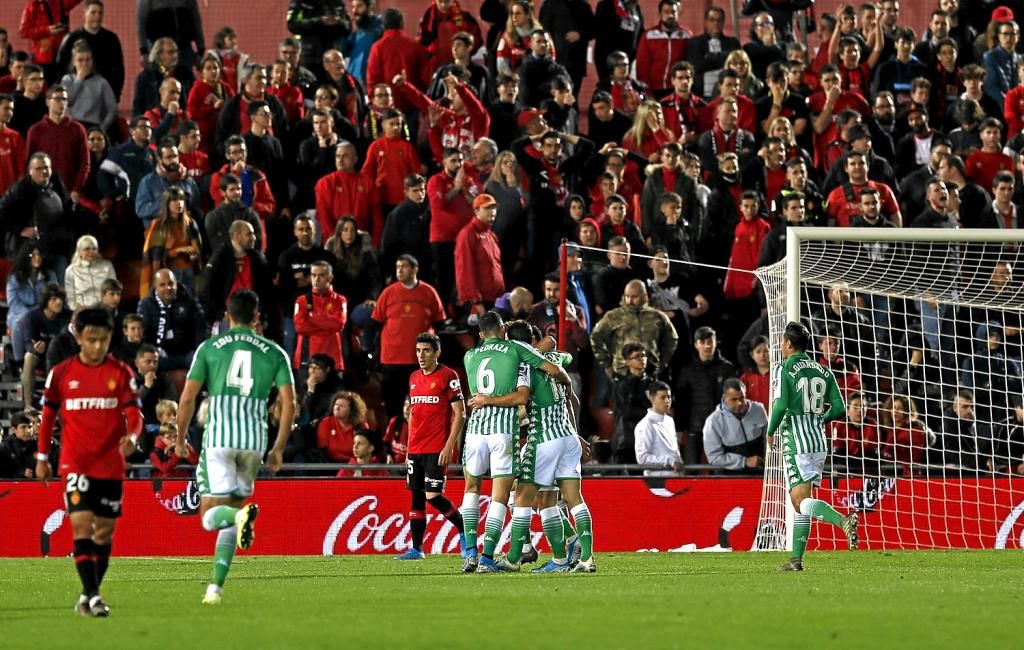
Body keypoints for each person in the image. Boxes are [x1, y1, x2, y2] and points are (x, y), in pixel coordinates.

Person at [174, 289, 295, 605]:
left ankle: (238, 521)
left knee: (209, 516)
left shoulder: (210, 347)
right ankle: (215, 588)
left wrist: (180, 438)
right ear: (257, 317)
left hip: (219, 439)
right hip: (254, 443)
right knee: (232, 516)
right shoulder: (275, 352)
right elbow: (289, 403)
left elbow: (187, 398)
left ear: (227, 316)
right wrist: (278, 448)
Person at [35, 307, 142, 617]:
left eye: (103, 340)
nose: (97, 346)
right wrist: (42, 458)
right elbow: (47, 417)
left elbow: (134, 413)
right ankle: (95, 596)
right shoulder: (61, 373)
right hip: (75, 463)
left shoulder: (121, 372)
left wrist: (133, 437)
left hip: (110, 464)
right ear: (79, 337)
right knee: (81, 525)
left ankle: (87, 593)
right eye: (91, 340)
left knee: (104, 534)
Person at [471, 321, 595, 573]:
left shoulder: (522, 365)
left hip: (544, 438)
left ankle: (514, 557)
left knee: (521, 497)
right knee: (568, 499)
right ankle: (583, 559)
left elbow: (521, 397)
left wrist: (487, 400)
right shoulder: (555, 358)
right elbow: (563, 352)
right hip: (568, 437)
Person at [766, 321, 858, 572]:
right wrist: (819, 420)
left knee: (799, 502)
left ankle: (842, 520)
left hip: (796, 440)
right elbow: (839, 408)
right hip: (818, 440)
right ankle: (796, 560)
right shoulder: (823, 370)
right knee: (802, 502)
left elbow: (780, 404)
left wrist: (771, 431)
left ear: (787, 343)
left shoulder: (784, 368)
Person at [393, 332, 467, 560]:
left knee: (432, 496)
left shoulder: (448, 376)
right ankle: (417, 549)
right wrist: (408, 448)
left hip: (436, 448)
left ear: (437, 352)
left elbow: (460, 413)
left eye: (426, 350)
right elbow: (415, 415)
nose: (421, 355)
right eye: (418, 351)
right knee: (416, 498)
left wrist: (449, 446)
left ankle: (464, 530)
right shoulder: (414, 377)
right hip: (415, 449)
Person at [370, 254, 446, 420]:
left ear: (415, 270)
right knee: (393, 405)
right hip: (392, 359)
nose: (399, 270)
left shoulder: (428, 292)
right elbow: (376, 322)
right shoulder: (388, 292)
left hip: (420, 360)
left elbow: (439, 322)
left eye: (404, 266)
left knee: (422, 404)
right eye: (398, 267)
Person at [138, 269, 206, 371]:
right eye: (162, 285)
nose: (168, 288)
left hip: (186, 354)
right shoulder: (146, 305)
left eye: (171, 284)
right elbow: (143, 336)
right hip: (158, 356)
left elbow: (200, 329)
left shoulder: (189, 300)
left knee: (201, 362)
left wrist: (198, 352)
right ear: (155, 287)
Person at [454, 193, 504, 315]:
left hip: (495, 299)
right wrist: (475, 302)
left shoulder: (491, 235)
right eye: (487, 208)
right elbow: (464, 270)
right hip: (481, 302)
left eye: (493, 207)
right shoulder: (468, 234)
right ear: (476, 210)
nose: (492, 211)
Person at [703, 378, 767, 472]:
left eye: (742, 398)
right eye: (734, 399)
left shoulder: (758, 409)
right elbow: (714, 458)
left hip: (759, 471)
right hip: (729, 475)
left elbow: (768, 440)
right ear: (724, 398)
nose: (739, 403)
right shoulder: (713, 422)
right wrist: (744, 461)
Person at [293, 260, 346, 372]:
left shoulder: (340, 300)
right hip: (306, 358)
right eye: (313, 275)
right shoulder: (301, 300)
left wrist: (311, 317)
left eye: (321, 275)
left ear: (330, 278)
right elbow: (300, 327)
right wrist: (328, 329)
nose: (316, 279)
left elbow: (338, 325)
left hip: (333, 359)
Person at [634, 380, 683, 473]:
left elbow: (674, 451)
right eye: (663, 397)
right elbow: (642, 458)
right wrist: (669, 461)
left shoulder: (670, 420)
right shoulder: (645, 425)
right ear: (652, 398)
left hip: (675, 476)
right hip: (657, 478)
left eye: (669, 397)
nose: (667, 401)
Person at [64, 234, 115, 310]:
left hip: (105, 309)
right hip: (82, 310)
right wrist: (77, 308)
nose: (91, 252)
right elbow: (70, 297)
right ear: (79, 252)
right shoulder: (71, 270)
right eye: (87, 249)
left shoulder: (107, 266)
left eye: (94, 249)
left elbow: (113, 289)